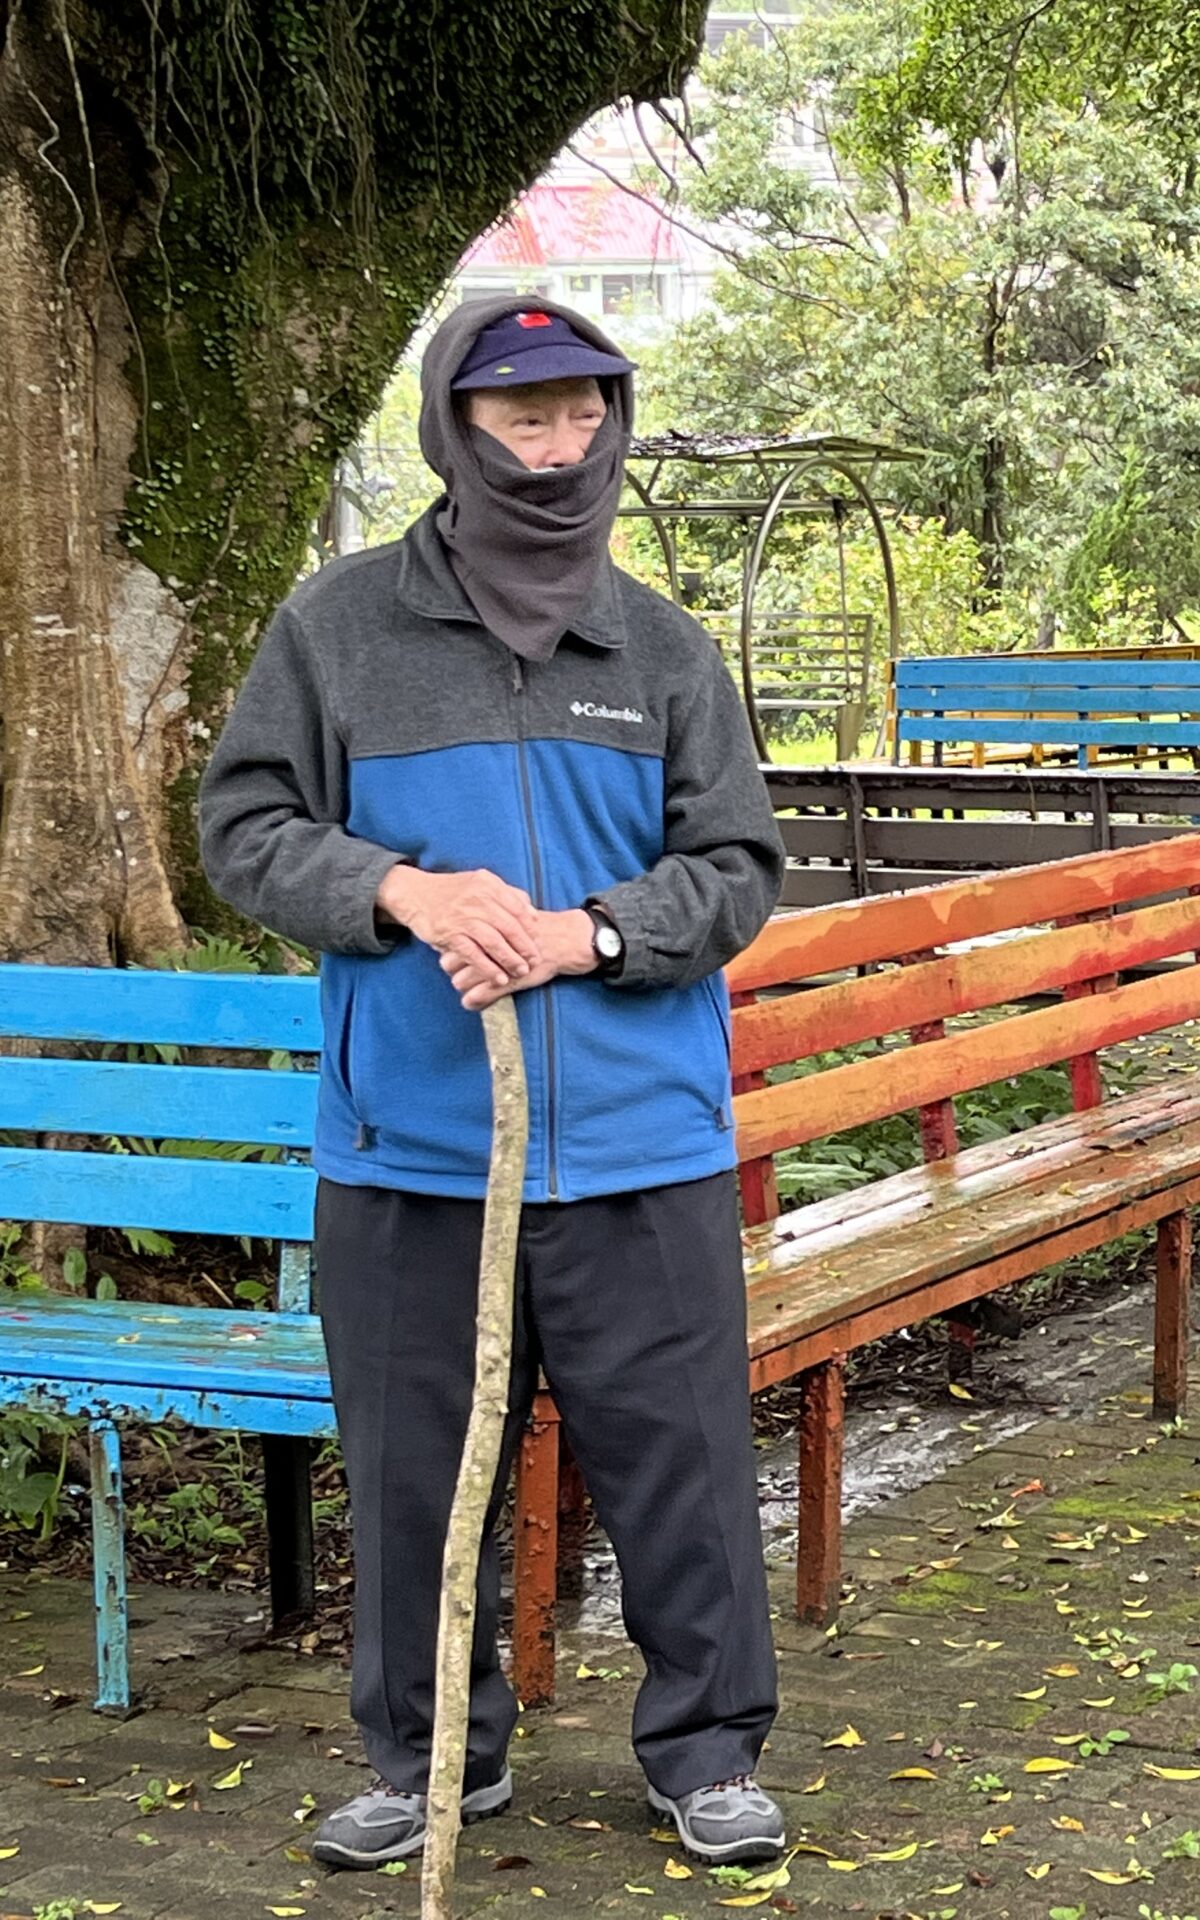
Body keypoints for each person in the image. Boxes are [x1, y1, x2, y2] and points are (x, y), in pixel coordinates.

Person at [198, 296, 789, 1870]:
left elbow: (736, 867)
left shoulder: (662, 648)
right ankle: (426, 1756)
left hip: (638, 1140)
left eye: (586, 410)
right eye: (524, 415)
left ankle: (707, 1749)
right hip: (412, 1149)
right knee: (410, 1473)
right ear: (458, 427)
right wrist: (405, 893)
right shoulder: (337, 631)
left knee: (678, 1461)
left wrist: (590, 935)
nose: (559, 443)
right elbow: (244, 827)